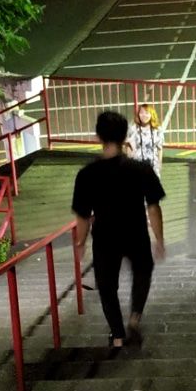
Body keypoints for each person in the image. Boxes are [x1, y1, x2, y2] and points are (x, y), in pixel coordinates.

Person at [72, 110, 165, 349]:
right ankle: (135, 315)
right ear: (126, 136)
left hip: (105, 237)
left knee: (106, 285)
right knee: (143, 271)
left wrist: (80, 244)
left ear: (98, 137)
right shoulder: (141, 169)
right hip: (136, 233)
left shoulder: (87, 174)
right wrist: (160, 240)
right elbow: (153, 207)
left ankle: (117, 335)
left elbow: (82, 216)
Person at [126, 103, 164, 175]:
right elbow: (128, 148)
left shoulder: (157, 130)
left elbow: (160, 148)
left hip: (153, 166)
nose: (144, 115)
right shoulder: (133, 129)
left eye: (147, 113)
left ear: (151, 115)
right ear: (138, 115)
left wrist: (159, 164)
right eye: (141, 113)